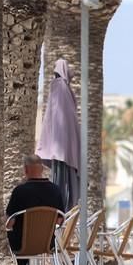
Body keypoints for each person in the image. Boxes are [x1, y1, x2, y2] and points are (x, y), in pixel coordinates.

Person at [6, 155, 66, 265]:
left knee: (8, 239)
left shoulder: (19, 191)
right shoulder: (55, 190)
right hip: (48, 243)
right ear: (42, 169)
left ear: (26, 170)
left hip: (21, 244)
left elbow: (10, 223)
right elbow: (60, 219)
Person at [37, 58, 80, 211]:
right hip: (62, 147)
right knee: (65, 184)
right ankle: (64, 211)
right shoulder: (61, 88)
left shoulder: (59, 88)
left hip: (61, 147)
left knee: (63, 180)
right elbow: (63, 118)